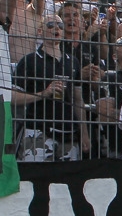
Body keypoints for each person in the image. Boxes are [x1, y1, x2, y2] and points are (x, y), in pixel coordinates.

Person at [13, 14, 91, 161]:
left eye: (60, 26)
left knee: (67, 181)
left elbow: (78, 100)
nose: (56, 28)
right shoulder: (29, 61)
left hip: (68, 134)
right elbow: (13, 97)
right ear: (40, 31)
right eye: (50, 25)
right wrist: (43, 93)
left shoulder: (72, 61)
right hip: (38, 132)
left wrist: (84, 133)